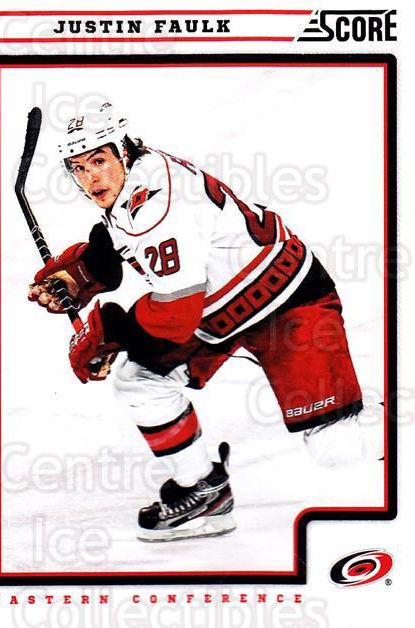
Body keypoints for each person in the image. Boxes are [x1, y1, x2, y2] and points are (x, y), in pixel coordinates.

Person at [28, 102, 384, 542]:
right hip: (219, 308)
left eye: (99, 161)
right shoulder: (137, 174)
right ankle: (205, 491)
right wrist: (82, 273)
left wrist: (113, 334)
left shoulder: (156, 203)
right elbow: (119, 239)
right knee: (140, 381)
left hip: (285, 301)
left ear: (123, 150)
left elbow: (175, 315)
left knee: (336, 446)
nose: (91, 178)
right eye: (79, 168)